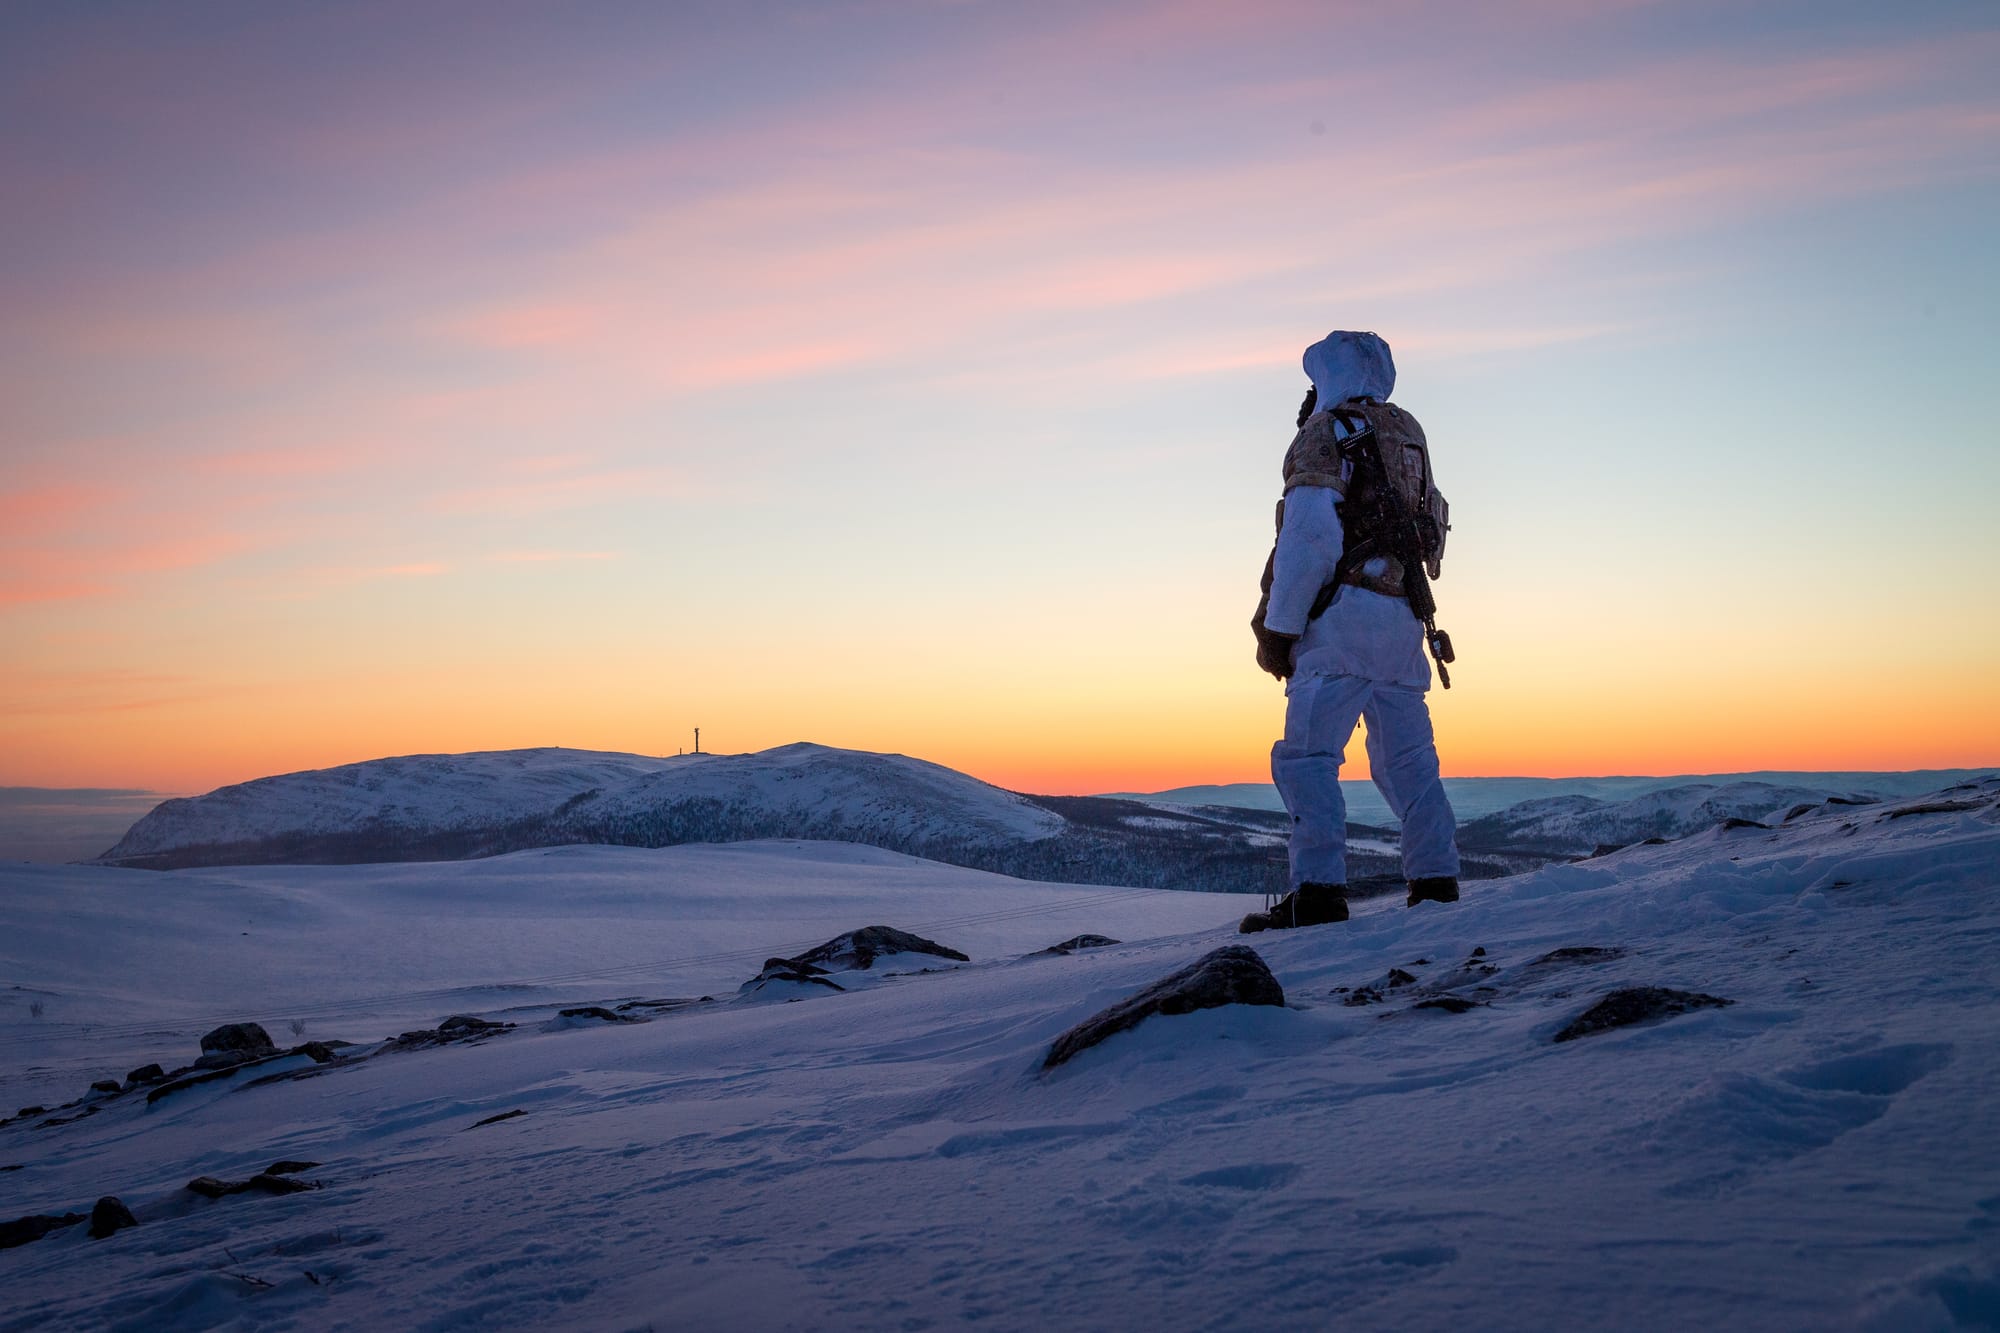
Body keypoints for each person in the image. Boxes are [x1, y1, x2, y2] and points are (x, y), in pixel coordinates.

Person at [1240, 330, 1461, 932]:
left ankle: (1317, 893)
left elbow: (1309, 537)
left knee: (1307, 759)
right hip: (1402, 621)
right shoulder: (1409, 432)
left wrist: (1280, 628)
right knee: (1408, 762)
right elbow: (1434, 524)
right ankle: (1437, 878)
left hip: (1339, 622)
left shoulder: (1324, 433)